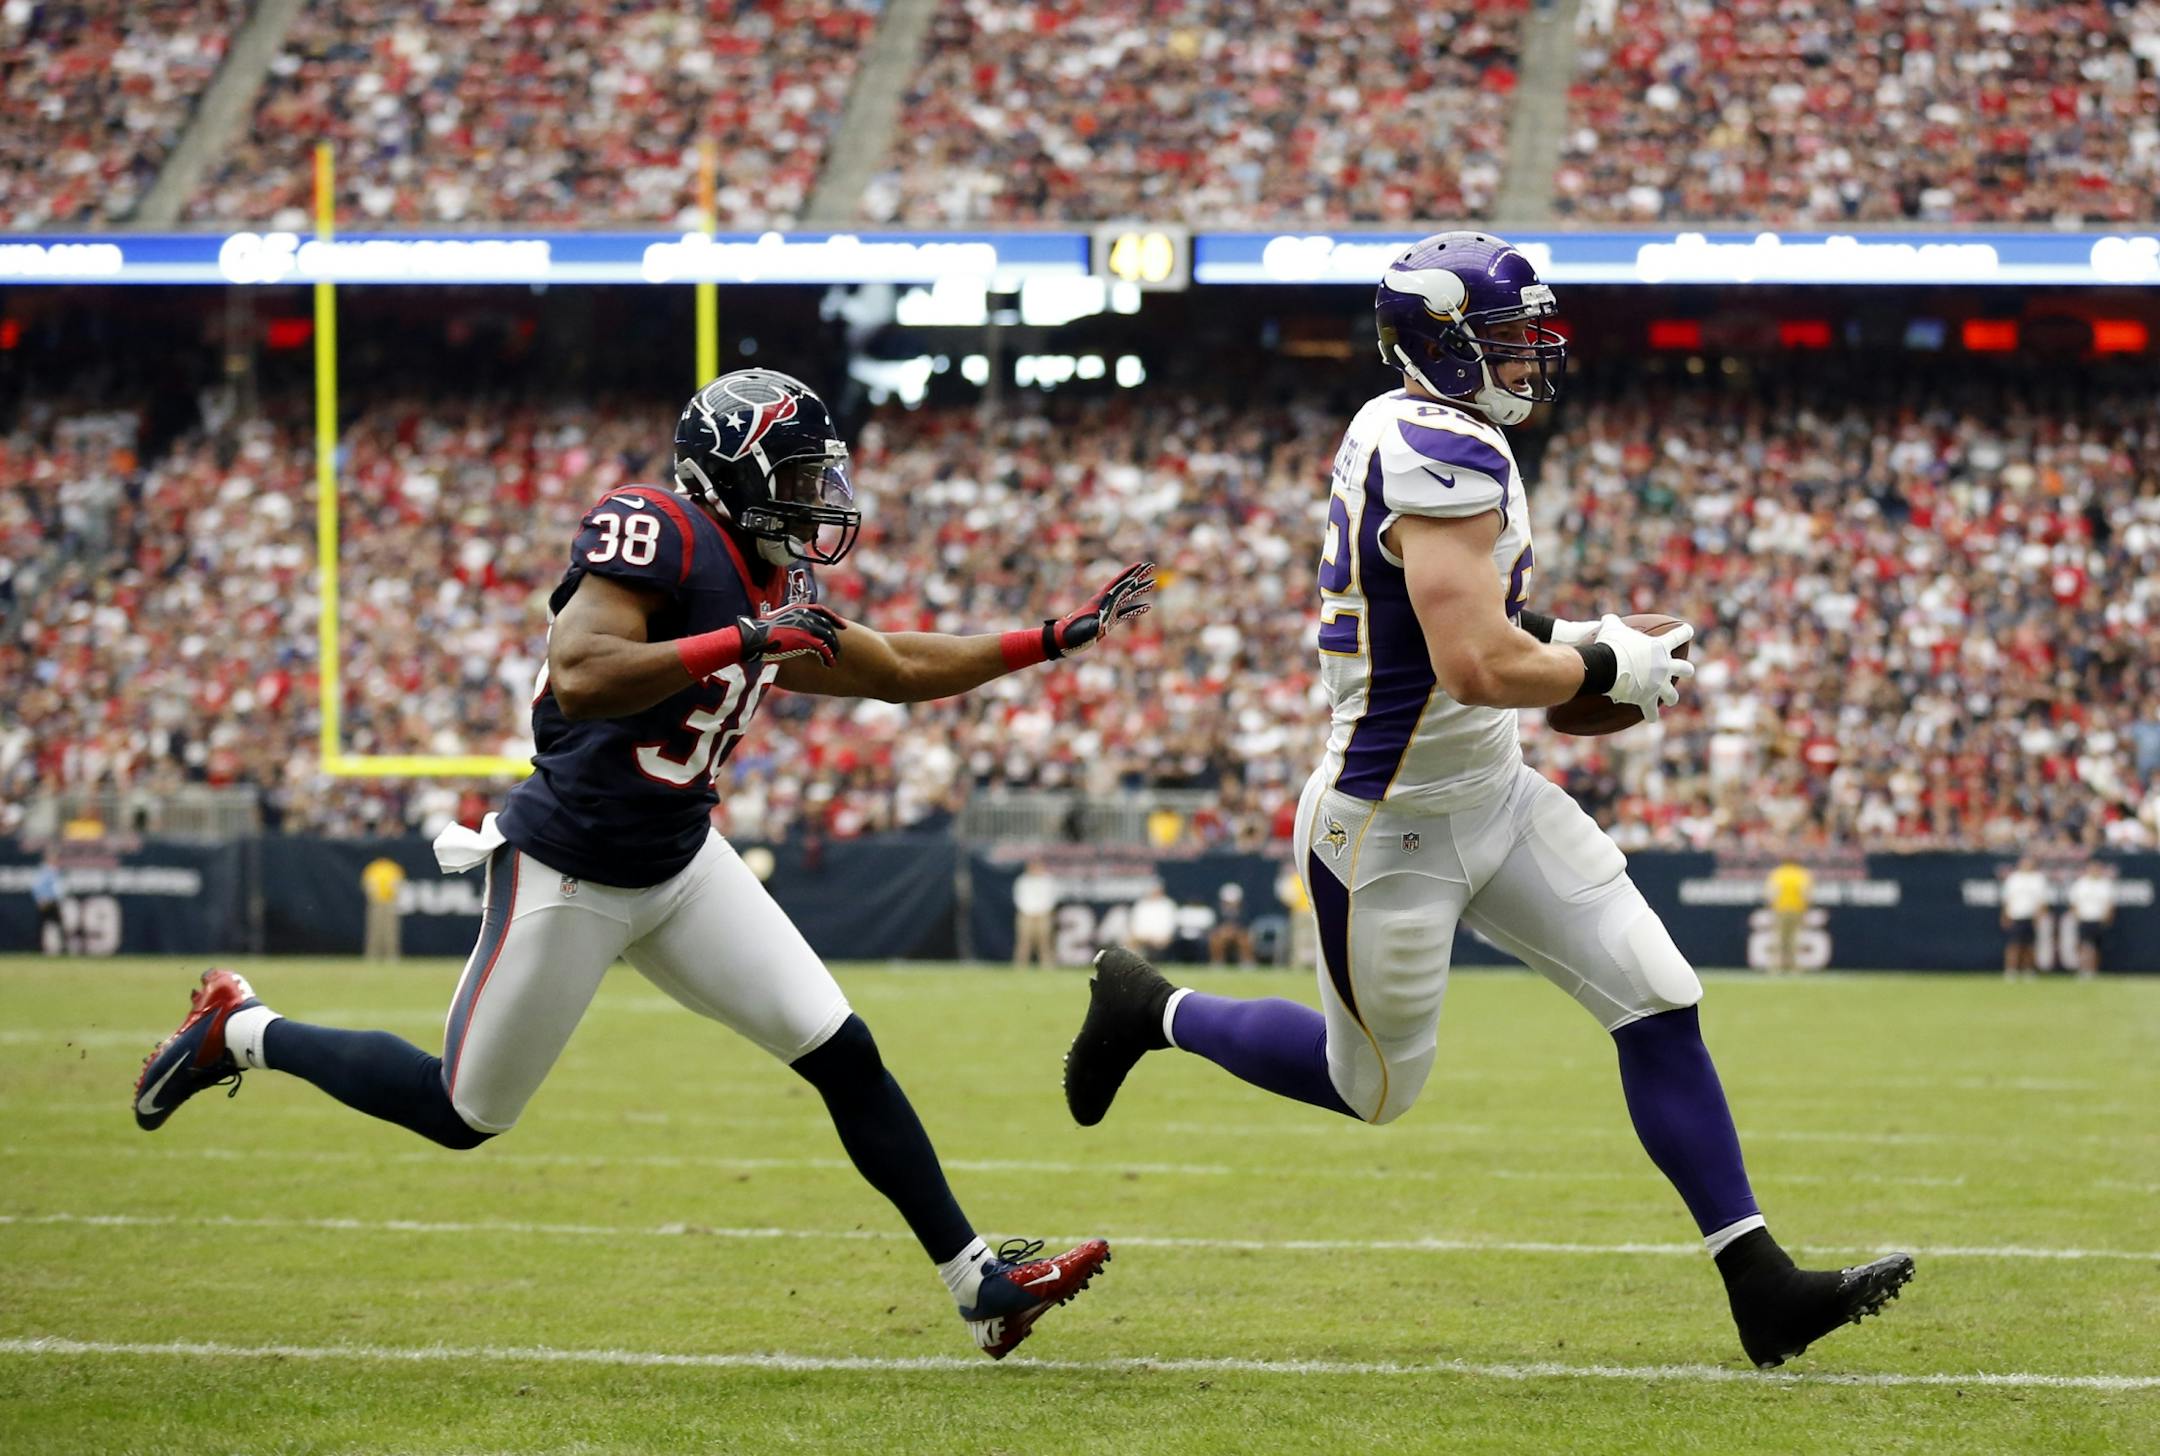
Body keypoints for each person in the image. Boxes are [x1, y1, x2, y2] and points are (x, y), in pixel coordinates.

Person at [134, 368, 1155, 1359]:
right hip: (570, 871)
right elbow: (582, 676)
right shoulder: (655, 527)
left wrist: (1050, 638)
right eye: (798, 478)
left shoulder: (772, 577)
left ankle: (979, 1284)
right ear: (736, 473)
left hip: (681, 862)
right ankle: (242, 1029)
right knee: (462, 1112)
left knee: (843, 1052)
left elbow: (891, 669)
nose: (819, 500)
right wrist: (741, 640)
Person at [1063, 233, 1911, 1370]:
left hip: (1493, 792)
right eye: (1507, 341)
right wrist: (1607, 668)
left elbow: (1480, 635)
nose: (1531, 360)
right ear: (1441, 344)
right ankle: (1150, 1008)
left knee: (1658, 994)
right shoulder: (1432, 448)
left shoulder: (1418, 429)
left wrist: (1583, 638)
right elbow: (1469, 662)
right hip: (1392, 825)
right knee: (1367, 1089)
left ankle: (1760, 1283)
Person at [2001, 854, 2048, 980]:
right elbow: (2008, 899)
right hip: (2016, 916)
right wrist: (2005, 915)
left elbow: (2042, 900)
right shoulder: (2013, 878)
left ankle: (2028, 970)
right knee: (2013, 945)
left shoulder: (2038, 879)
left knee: (2029, 945)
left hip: (2031, 917)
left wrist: (2038, 917)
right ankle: (2011, 970)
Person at [1763, 859, 1813, 975]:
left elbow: (1771, 892)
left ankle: (1775, 967)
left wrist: (1771, 907)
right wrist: (1806, 908)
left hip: (1780, 909)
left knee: (1778, 938)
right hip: (1797, 909)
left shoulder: (1778, 873)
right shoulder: (1802, 874)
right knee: (1795, 938)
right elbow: (1806, 893)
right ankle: (1794, 967)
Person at [2066, 859, 2113, 980]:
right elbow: (2074, 903)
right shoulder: (2080, 884)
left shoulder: (2105, 884)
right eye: (2092, 868)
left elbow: (2109, 904)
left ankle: (2093, 971)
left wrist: (2106, 917)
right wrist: (2077, 917)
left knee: (2097, 947)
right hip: (2084, 919)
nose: (2094, 871)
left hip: (2098, 919)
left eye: (2097, 869)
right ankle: (2082, 970)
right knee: (2083, 946)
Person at [1011, 859, 1058, 969]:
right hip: (1026, 914)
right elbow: (1019, 897)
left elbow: (1052, 897)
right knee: (1024, 941)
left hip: (1043, 914)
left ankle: (1047, 965)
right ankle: (1020, 965)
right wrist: (1027, 910)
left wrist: (1043, 910)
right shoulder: (1023, 880)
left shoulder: (1048, 880)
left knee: (1044, 941)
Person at [360, 856, 406, 963]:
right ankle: (372, 955)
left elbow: (398, 883)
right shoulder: (373, 868)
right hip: (376, 902)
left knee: (390, 930)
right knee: (375, 930)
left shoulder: (393, 868)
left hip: (390, 902)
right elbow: (368, 883)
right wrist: (372, 895)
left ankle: (391, 955)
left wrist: (394, 894)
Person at [31, 853, 68, 956]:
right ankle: (39, 948)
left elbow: (58, 889)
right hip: (47, 902)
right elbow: (36, 887)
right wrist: (40, 899)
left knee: (56, 926)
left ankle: (62, 948)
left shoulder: (54, 872)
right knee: (44, 927)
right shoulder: (45, 872)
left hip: (53, 902)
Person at [1208, 883, 1253, 966]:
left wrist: (1233, 931)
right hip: (1222, 934)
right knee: (1215, 939)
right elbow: (1216, 925)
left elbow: (1244, 925)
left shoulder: (1245, 911)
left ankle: (1247, 962)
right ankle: (1217, 962)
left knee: (1245, 938)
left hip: (1239, 934)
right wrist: (1225, 931)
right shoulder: (1217, 910)